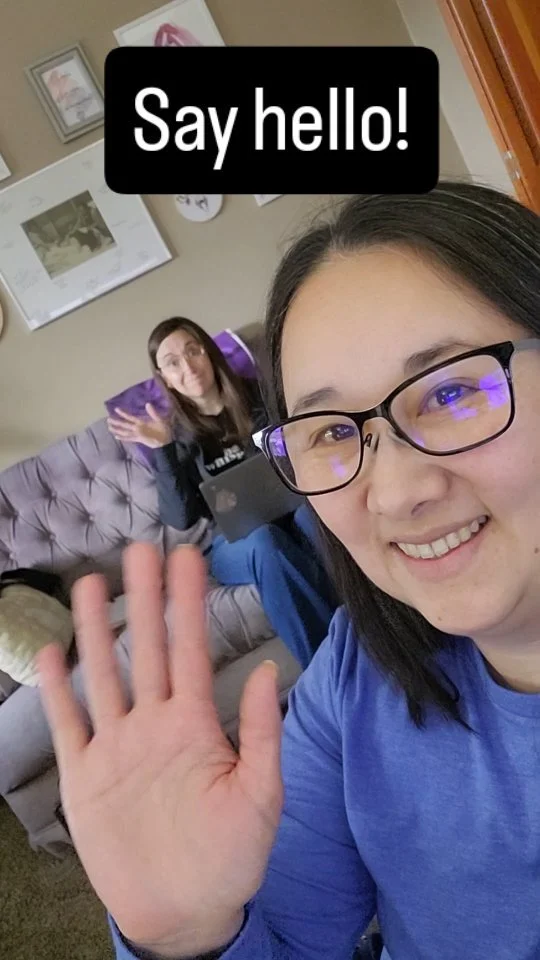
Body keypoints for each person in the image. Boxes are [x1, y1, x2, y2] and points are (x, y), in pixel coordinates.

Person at [37, 181, 540, 960]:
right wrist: (189, 937)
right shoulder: (356, 671)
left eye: (450, 390)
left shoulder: (250, 398)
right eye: (332, 431)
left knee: (304, 519)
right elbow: (184, 517)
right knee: (276, 543)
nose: (395, 493)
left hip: (285, 516)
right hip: (232, 540)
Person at [107, 317, 337, 670]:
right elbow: (180, 518)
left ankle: (367, 634)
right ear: (165, 378)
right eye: (173, 363)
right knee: (265, 541)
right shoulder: (174, 435)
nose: (188, 367)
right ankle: (326, 667)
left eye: (193, 351)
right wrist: (164, 450)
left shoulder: (259, 395)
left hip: (293, 513)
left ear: (209, 352)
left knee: (312, 520)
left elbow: (302, 450)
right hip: (234, 544)